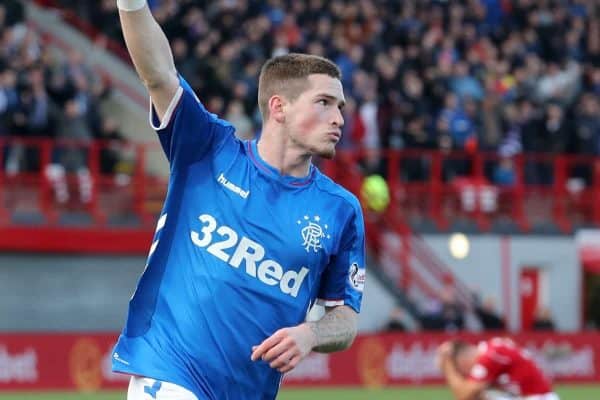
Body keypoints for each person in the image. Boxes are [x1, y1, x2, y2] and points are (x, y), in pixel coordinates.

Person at [111, 1, 366, 400]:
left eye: (341, 107)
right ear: (278, 107)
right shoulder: (209, 149)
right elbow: (159, 75)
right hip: (169, 371)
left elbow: (346, 318)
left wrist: (310, 334)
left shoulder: (340, 210)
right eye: (324, 103)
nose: (339, 118)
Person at [436, 337, 559, 400]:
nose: (463, 375)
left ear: (462, 361)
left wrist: (447, 367)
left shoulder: (490, 356)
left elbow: (462, 394)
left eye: (458, 370)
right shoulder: (492, 347)